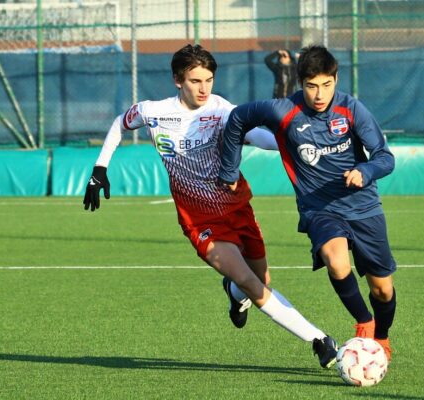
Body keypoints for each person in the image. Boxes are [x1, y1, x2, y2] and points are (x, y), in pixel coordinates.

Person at [82, 44, 338, 368]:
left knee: (261, 282)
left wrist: (299, 143)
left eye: (209, 80)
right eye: (195, 81)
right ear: (178, 80)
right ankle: (318, 339)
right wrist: (100, 168)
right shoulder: (153, 112)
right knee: (250, 281)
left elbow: (256, 136)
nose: (203, 88)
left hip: (237, 208)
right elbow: (121, 122)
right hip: (200, 220)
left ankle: (233, 294)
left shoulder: (220, 110)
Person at [219, 45, 397, 361]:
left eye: (327, 85)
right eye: (312, 86)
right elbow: (237, 119)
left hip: (364, 206)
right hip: (319, 208)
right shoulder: (282, 110)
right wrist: (229, 171)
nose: (319, 94)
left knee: (382, 289)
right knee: (336, 259)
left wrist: (365, 170)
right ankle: (365, 322)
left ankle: (381, 338)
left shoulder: (352, 109)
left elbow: (385, 157)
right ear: (301, 82)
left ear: (336, 79)